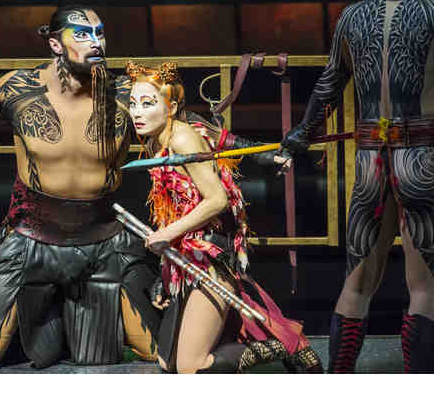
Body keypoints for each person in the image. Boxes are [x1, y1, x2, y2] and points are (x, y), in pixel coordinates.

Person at [0, 5, 162, 370]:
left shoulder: (125, 94)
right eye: (82, 34)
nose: (96, 43)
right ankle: (45, 317)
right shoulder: (18, 89)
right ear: (55, 44)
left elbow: (181, 130)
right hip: (31, 236)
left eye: (99, 33)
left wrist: (238, 145)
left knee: (158, 351)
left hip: (105, 239)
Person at [280, 0, 434, 373]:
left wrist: (302, 133)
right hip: (421, 156)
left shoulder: (352, 18)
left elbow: (329, 84)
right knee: (425, 287)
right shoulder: (431, 12)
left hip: (370, 160)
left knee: (357, 281)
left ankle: (340, 380)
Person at [127, 61, 323, 373]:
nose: (137, 112)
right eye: (133, 103)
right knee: (167, 363)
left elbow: (217, 199)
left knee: (190, 368)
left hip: (211, 256)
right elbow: (220, 147)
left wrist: (166, 234)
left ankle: (277, 345)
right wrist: (165, 268)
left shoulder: (182, 138)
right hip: (184, 256)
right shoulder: (155, 138)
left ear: (171, 107)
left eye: (147, 104)